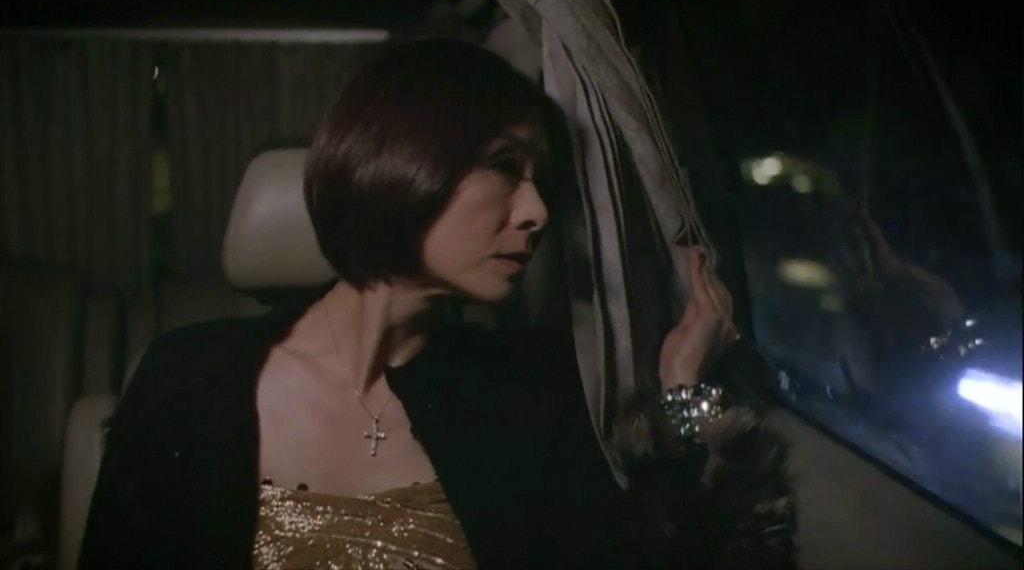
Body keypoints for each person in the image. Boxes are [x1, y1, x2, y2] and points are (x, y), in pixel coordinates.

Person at [78, 39, 795, 569]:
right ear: (402, 159)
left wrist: (682, 389)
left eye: (540, 180)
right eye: (505, 166)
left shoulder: (521, 401)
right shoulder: (188, 377)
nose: (537, 212)